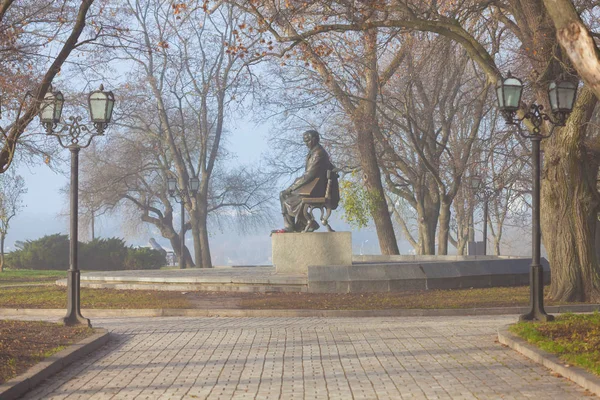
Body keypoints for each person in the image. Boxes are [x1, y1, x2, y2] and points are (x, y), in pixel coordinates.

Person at [278, 130, 338, 232]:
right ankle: (296, 225)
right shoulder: (313, 152)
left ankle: (305, 223)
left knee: (288, 198)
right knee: (283, 195)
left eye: (308, 141)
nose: (306, 144)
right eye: (305, 141)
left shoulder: (318, 154)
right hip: (312, 187)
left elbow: (308, 175)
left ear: (314, 139)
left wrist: (291, 188)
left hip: (317, 189)